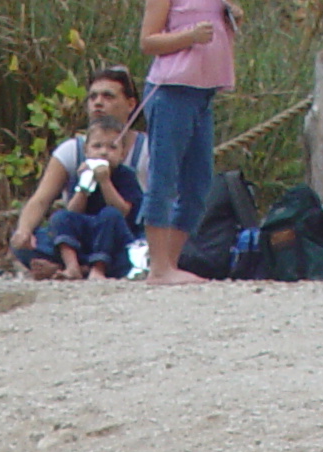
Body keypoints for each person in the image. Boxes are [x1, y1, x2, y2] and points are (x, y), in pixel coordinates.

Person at [10, 67, 153, 277]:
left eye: (108, 96)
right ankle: (74, 267)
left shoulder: (149, 149)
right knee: (33, 241)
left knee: (145, 247)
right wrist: (24, 231)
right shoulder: (71, 150)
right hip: (81, 234)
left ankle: (74, 269)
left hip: (124, 235)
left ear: (130, 104)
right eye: (93, 96)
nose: (98, 102)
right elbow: (41, 199)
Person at [138, 0, 238, 285]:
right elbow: (148, 41)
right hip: (171, 90)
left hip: (204, 92)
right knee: (165, 177)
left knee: (198, 182)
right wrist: (189, 37)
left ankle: (170, 261)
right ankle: (158, 266)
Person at [43, 119, 148, 278]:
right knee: (60, 217)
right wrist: (84, 187)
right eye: (97, 146)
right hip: (87, 231)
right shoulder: (81, 173)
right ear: (86, 151)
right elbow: (73, 210)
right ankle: (72, 266)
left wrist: (104, 181)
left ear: (122, 154)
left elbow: (123, 211)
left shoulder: (125, 175)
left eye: (112, 147)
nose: (104, 152)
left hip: (116, 234)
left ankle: (99, 268)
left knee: (110, 214)